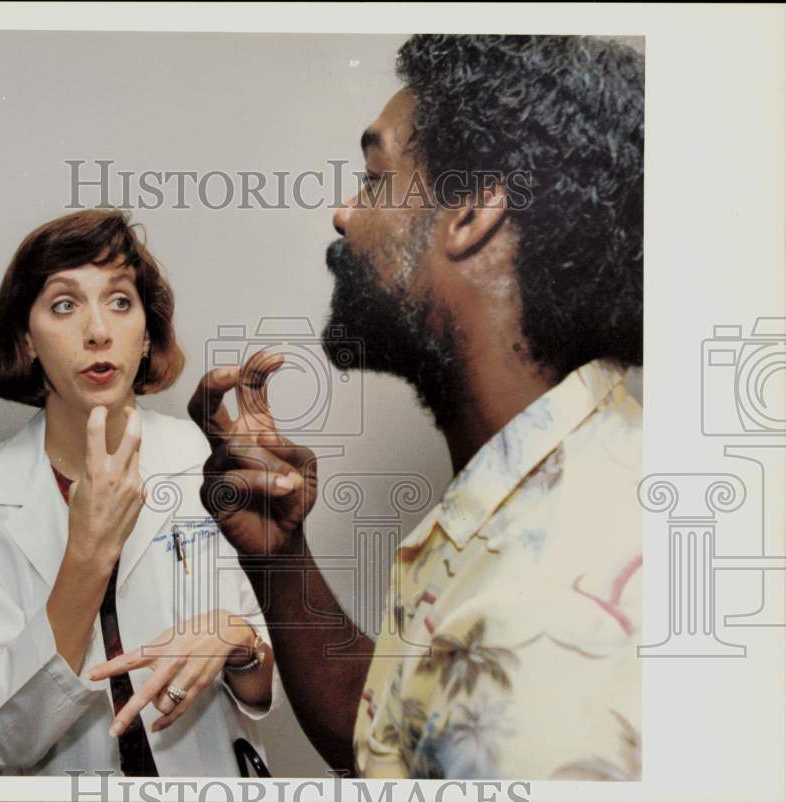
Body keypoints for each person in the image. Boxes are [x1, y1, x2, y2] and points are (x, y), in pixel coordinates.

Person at [188, 34, 644, 780]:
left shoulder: (557, 618)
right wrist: (278, 561)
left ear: (472, 213)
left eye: (373, 180)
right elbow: (407, 736)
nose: (344, 216)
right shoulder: (526, 490)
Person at [0, 209, 282, 777]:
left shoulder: (199, 458)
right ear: (26, 340)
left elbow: (263, 683)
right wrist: (87, 552)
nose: (98, 331)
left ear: (146, 335)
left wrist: (236, 638)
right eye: (64, 304)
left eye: (120, 301)